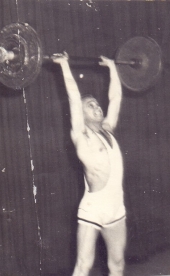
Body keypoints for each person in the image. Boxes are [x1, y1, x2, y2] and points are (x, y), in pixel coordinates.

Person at [53, 52, 127, 276]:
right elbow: (74, 99)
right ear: (82, 116)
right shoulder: (81, 136)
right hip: (93, 209)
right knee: (83, 265)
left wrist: (113, 67)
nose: (97, 107)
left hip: (116, 207)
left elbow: (115, 98)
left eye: (97, 104)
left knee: (118, 264)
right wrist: (65, 65)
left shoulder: (108, 129)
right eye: (91, 105)